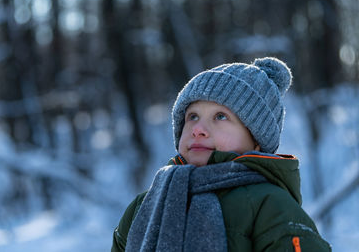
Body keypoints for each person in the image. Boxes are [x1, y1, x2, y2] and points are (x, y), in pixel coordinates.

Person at [111, 57, 331, 251]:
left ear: (256, 140)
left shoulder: (270, 205)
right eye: (192, 116)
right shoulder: (147, 204)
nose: (198, 128)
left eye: (220, 117)